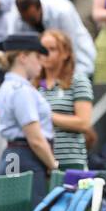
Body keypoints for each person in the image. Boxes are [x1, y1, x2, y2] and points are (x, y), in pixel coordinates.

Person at [0, 33, 57, 198]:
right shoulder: (21, 90)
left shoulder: (8, 86)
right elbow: (35, 139)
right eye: (37, 56)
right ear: (23, 57)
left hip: (15, 156)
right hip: (28, 158)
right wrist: (53, 165)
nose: (41, 62)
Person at [38, 29, 93, 174]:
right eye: (42, 49)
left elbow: (84, 122)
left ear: (66, 53)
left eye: (52, 49)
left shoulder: (78, 81)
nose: (45, 54)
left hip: (70, 161)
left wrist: (48, 116)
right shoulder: (33, 85)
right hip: (39, 161)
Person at [12, 0, 97, 80]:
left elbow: (70, 48)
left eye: (31, 18)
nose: (28, 21)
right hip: (46, 74)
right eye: (24, 18)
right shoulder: (20, 19)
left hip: (78, 63)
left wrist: (62, 77)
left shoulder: (63, 11)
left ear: (39, 8)